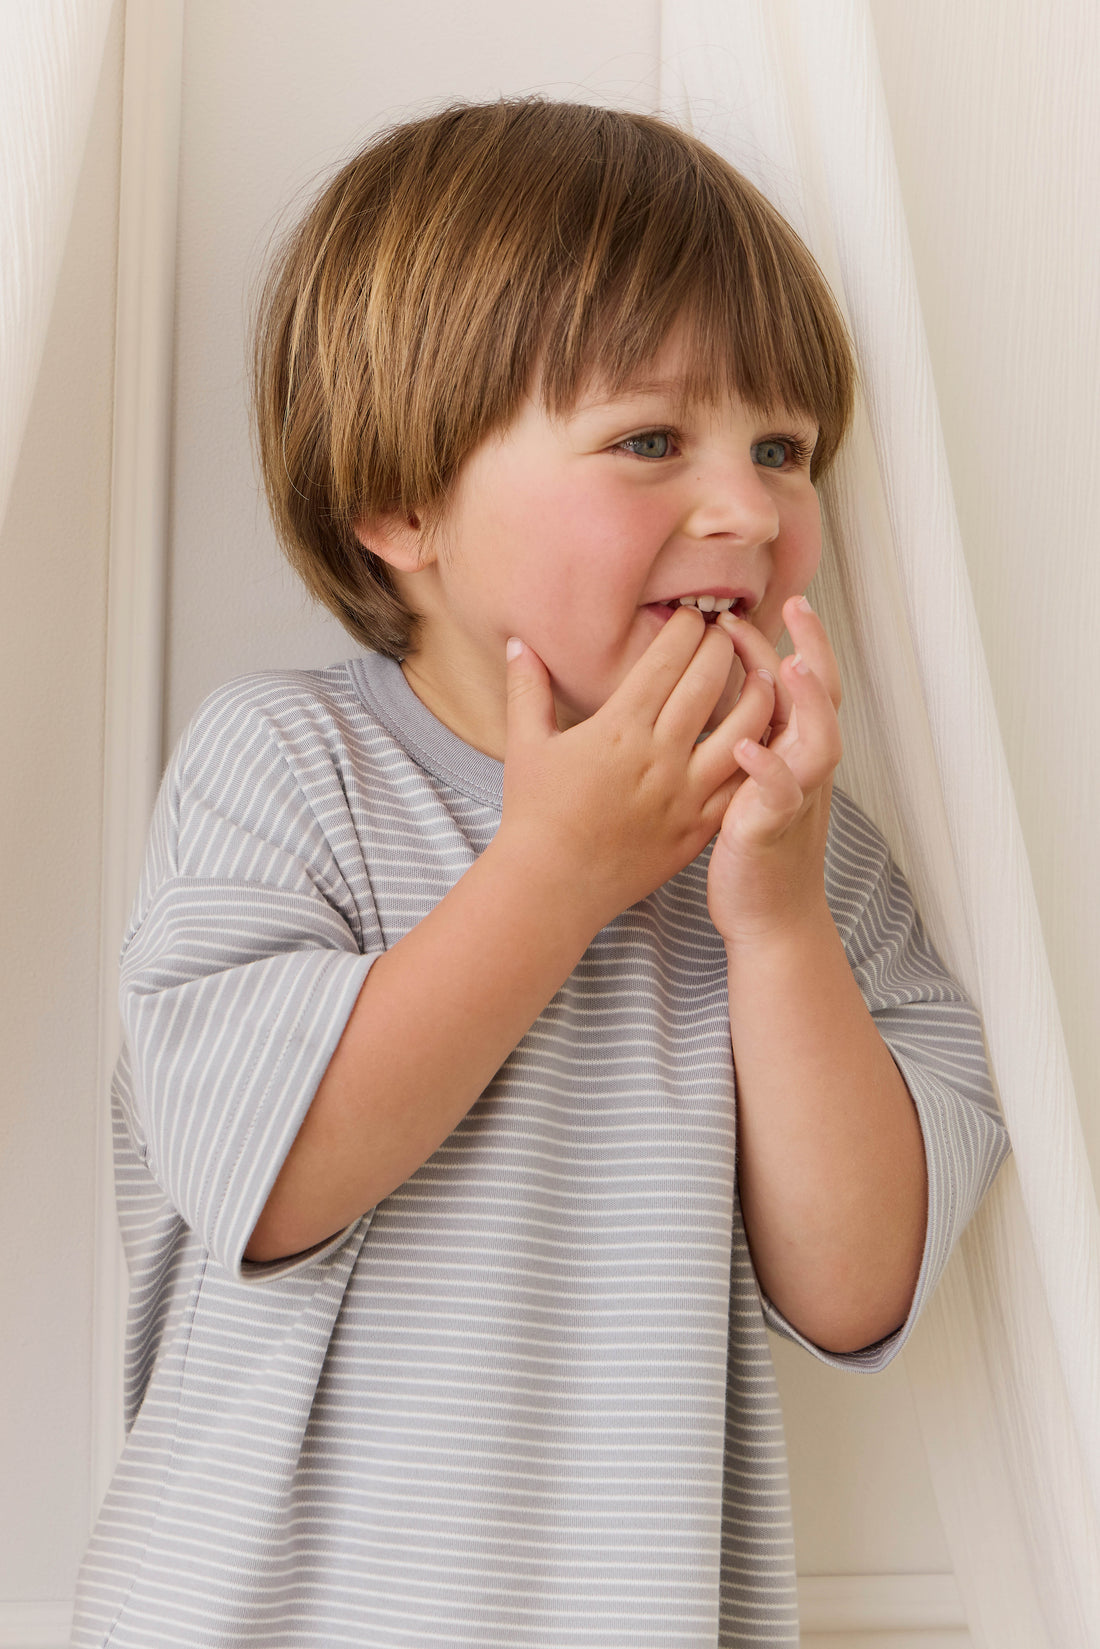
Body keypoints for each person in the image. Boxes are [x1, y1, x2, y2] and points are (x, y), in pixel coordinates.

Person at [71, 98, 1008, 1648]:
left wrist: (774, 929)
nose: (750, 508)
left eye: (784, 448)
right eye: (653, 440)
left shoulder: (795, 840)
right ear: (405, 502)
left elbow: (859, 1286)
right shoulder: (290, 766)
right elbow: (267, 1167)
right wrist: (556, 870)